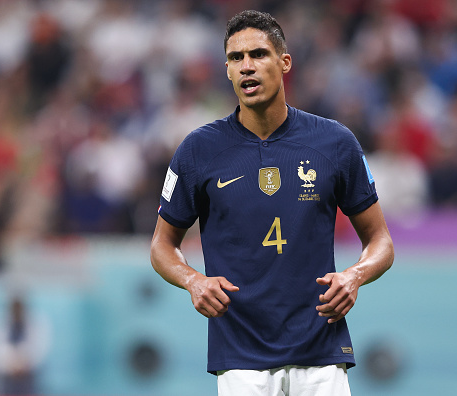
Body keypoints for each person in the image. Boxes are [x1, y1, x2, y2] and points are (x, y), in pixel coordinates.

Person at [150, 10, 394, 396]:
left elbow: (380, 240)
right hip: (240, 357)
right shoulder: (198, 150)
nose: (246, 67)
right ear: (227, 70)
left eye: (259, 54)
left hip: (321, 353)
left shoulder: (335, 143)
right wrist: (192, 280)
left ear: (284, 62)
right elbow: (162, 246)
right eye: (235, 58)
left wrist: (355, 275)